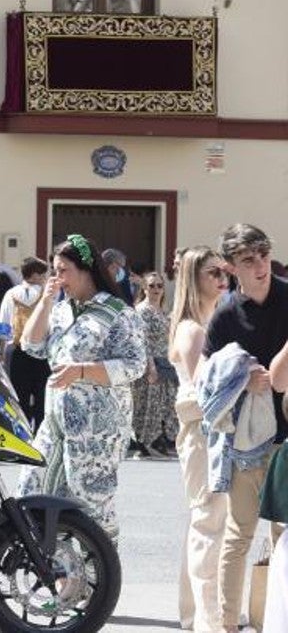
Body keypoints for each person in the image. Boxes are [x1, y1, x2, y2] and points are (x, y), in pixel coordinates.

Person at [15, 234, 146, 543]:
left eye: (64, 270)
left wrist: (83, 371)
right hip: (56, 424)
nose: (57, 278)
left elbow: (135, 365)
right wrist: (45, 301)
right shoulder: (61, 310)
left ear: (86, 269)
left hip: (97, 431)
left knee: (91, 509)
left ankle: (96, 582)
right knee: (32, 492)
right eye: (54, 270)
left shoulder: (118, 312)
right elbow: (30, 346)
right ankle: (60, 580)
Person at [204, 223, 288, 632]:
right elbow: (209, 384)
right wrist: (242, 381)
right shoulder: (225, 315)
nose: (260, 266)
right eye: (248, 260)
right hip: (247, 440)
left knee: (284, 537)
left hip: (287, 437)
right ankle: (227, 624)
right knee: (239, 536)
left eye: (264, 255)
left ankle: (276, 619)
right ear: (231, 267)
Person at [169, 245, 229, 632]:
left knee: (207, 523)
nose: (223, 280)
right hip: (202, 432)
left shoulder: (210, 321)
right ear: (194, 279)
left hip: (212, 432)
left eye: (223, 272)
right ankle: (209, 618)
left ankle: (196, 614)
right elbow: (202, 391)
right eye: (213, 273)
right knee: (209, 523)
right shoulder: (192, 329)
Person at [130, 271, 179, 459]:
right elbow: (143, 341)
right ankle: (147, 443)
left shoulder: (163, 310)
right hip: (151, 365)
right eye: (152, 286)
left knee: (166, 404)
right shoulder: (142, 310)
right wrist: (150, 367)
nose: (156, 289)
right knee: (149, 405)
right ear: (144, 288)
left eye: (159, 285)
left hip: (166, 364)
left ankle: (163, 440)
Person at [0, 257, 51, 431]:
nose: (46, 278)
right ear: (35, 275)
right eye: (44, 275)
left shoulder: (11, 294)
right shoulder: (47, 294)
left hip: (16, 350)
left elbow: (4, 325)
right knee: (42, 397)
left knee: (19, 397)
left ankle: (21, 434)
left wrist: (1, 353)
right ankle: (41, 435)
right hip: (42, 351)